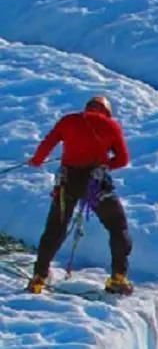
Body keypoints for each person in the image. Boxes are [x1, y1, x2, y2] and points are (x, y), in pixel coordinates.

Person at [26, 95, 133, 295]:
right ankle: (118, 278)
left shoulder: (69, 121)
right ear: (106, 112)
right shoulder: (110, 126)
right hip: (96, 183)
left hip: (67, 182)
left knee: (55, 229)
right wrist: (104, 164)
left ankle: (38, 278)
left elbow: (47, 144)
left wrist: (37, 160)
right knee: (118, 227)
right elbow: (123, 159)